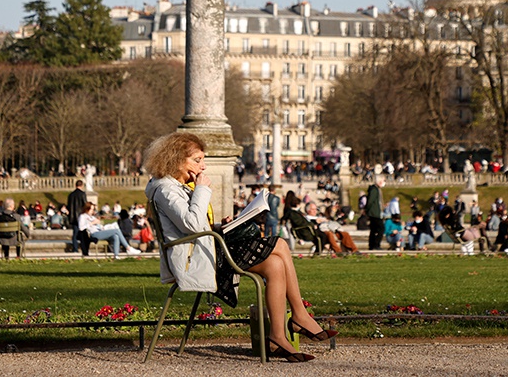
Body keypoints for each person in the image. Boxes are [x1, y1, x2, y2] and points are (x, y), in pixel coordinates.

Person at [144, 132, 334, 362]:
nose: (202, 167)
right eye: (197, 160)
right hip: (196, 261)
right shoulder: (166, 189)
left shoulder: (175, 186)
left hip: (206, 252)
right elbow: (192, 225)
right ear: (174, 159)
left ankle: (278, 335)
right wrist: (202, 190)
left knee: (274, 264)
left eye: (203, 160)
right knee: (280, 244)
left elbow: (190, 224)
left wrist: (219, 225)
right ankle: (299, 316)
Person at [67, 180, 87, 254]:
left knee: (75, 233)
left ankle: (75, 249)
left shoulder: (71, 195)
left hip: (73, 216)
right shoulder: (82, 194)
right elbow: (85, 205)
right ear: (81, 185)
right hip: (81, 216)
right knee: (83, 232)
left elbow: (69, 206)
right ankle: (83, 247)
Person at [365, 176, 384, 250]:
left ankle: (372, 245)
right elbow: (370, 201)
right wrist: (368, 210)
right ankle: (376, 244)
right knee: (381, 228)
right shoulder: (374, 190)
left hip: (374, 212)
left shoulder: (375, 189)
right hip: (374, 213)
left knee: (373, 230)